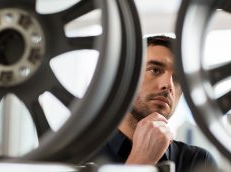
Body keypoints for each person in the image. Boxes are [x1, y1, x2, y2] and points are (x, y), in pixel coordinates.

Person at [86, 35, 217, 172]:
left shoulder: (199, 162)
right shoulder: (77, 155)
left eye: (177, 78)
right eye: (155, 70)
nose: (168, 84)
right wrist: (140, 164)